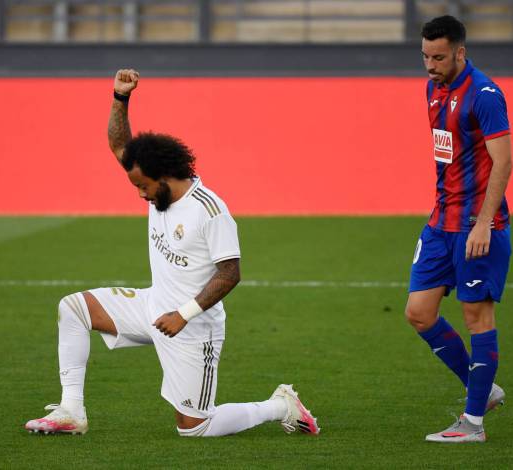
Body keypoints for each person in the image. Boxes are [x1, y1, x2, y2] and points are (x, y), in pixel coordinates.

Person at [24, 68, 320, 437]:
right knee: (74, 308)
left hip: (192, 327)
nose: (140, 195)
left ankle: (281, 405)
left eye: (143, 186)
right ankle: (71, 411)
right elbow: (120, 146)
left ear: (164, 175)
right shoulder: (158, 192)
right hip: (151, 307)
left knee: (195, 429)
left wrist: (183, 314)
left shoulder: (209, 210)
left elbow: (230, 273)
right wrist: (120, 98)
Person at [405, 16, 513, 443]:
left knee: (476, 315)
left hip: (476, 226)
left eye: (439, 56)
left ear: (460, 52)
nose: (430, 65)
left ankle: (473, 424)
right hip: (440, 223)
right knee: (418, 312)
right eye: (425, 56)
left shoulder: (485, 95)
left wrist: (484, 222)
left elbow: (503, 161)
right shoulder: (433, 88)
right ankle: (481, 390)